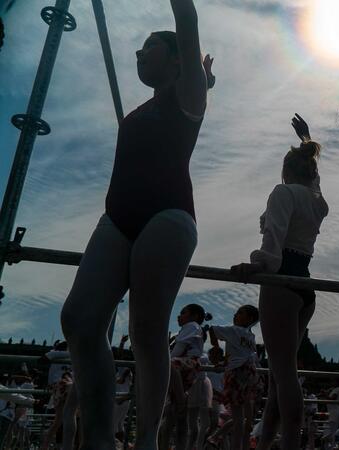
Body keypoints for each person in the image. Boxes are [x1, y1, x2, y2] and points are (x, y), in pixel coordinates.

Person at [58, 0, 214, 445]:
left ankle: (147, 439)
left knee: (146, 330)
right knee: (80, 320)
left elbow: (187, 18)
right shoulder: (144, 108)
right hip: (117, 218)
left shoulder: (188, 95)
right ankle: (100, 438)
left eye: (148, 47)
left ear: (177, 59)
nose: (139, 54)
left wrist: (199, 71)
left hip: (168, 216)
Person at [230, 114, 329, 450]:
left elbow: (273, 240)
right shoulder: (317, 202)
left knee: (284, 374)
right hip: (305, 286)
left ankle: (290, 442)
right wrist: (306, 139)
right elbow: (316, 185)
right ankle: (270, 441)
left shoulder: (283, 193)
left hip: (280, 280)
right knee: (277, 375)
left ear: (286, 171)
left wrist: (255, 266)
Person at [160, 303, 212, 450]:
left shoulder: (192, 326)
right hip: (185, 369)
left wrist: (165, 363)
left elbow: (178, 351)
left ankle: (181, 400)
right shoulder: (191, 328)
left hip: (186, 366)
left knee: (174, 411)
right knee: (176, 415)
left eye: (183, 312)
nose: (179, 315)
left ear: (194, 316)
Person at [210, 305, 261, 450]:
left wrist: (216, 347)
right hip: (250, 374)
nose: (235, 315)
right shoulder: (250, 336)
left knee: (238, 418)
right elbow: (248, 356)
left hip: (236, 373)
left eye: (240, 313)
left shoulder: (234, 330)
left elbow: (212, 329)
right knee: (245, 419)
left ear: (249, 319)